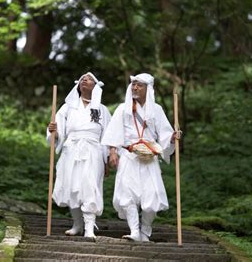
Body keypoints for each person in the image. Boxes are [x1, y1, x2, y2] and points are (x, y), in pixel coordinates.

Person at [101, 73, 179, 242]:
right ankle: (134, 231)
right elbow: (114, 130)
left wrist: (172, 138)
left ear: (148, 88)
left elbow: (165, 132)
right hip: (129, 155)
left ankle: (145, 232)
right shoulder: (123, 108)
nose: (135, 87)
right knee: (127, 194)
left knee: (151, 197)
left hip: (149, 157)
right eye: (133, 84)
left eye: (139, 85)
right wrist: (113, 151)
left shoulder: (156, 109)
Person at [47, 72, 111, 239]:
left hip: (93, 151)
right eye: (83, 79)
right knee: (72, 185)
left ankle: (89, 227)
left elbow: (107, 136)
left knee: (89, 186)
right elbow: (58, 131)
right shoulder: (68, 107)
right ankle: (77, 223)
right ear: (78, 85)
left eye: (89, 79)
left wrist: (107, 159)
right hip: (71, 149)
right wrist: (53, 130)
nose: (85, 81)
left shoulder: (102, 110)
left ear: (96, 87)